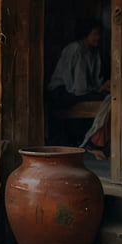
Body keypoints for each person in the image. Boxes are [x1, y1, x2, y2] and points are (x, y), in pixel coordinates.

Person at [47, 19, 110, 159]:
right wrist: (98, 91)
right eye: (95, 34)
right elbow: (77, 85)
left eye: (99, 34)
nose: (98, 37)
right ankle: (89, 143)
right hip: (62, 91)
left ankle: (93, 142)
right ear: (86, 34)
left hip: (79, 90)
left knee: (109, 98)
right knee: (106, 99)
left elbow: (93, 81)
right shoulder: (76, 49)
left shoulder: (94, 52)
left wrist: (102, 87)